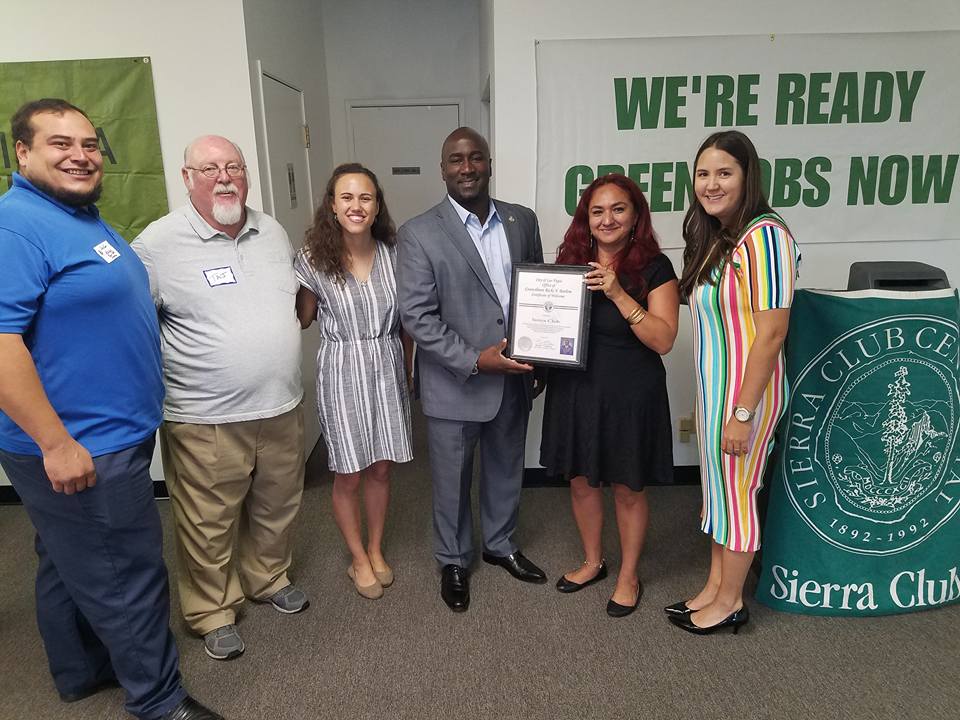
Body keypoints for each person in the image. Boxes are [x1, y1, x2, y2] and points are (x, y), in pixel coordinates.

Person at [0, 99, 221, 719]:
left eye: (90, 144)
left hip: (111, 433)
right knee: (126, 574)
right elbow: (0, 342)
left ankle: (81, 670)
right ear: (22, 152)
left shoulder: (78, 219)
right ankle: (158, 702)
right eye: (60, 144)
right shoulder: (16, 226)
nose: (80, 155)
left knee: (67, 557)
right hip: (81, 444)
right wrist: (56, 443)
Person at [132, 135, 308, 661]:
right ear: (187, 179)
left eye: (233, 166)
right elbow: (134, 330)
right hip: (205, 417)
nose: (225, 177)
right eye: (209, 169)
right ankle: (212, 610)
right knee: (208, 522)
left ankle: (268, 577)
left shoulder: (272, 231)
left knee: (279, 506)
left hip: (281, 406)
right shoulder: (157, 245)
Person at [397, 127, 547, 613]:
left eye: (475, 158)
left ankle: (500, 544)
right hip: (455, 380)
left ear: (488, 163)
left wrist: (542, 353)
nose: (467, 168)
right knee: (451, 479)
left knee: (507, 468)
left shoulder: (522, 220)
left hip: (515, 376)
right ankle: (454, 560)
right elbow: (417, 316)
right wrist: (473, 359)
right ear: (443, 169)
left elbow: (540, 292)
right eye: (456, 160)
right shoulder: (419, 232)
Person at [667, 130, 799, 635]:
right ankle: (714, 588)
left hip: (746, 398)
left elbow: (772, 334)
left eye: (725, 173)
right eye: (703, 174)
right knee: (721, 494)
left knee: (738, 497)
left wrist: (743, 413)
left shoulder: (765, 236)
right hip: (718, 396)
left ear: (748, 178)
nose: (711, 183)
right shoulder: (724, 240)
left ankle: (731, 603)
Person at [541, 174, 679, 617]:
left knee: (627, 488)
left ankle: (628, 575)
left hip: (629, 393)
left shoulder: (655, 268)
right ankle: (593, 561)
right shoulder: (571, 262)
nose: (607, 219)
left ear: (636, 215)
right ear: (586, 218)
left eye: (618, 209)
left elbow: (663, 340)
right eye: (597, 211)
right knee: (581, 481)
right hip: (576, 388)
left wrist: (618, 292)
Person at [294, 163, 413, 600]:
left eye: (365, 197)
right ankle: (357, 558)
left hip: (386, 364)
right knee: (348, 472)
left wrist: (411, 370)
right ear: (332, 205)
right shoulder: (312, 258)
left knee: (381, 467)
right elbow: (303, 318)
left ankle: (376, 548)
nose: (356, 206)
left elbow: (408, 322)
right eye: (346, 197)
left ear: (377, 205)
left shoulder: (395, 254)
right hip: (341, 368)